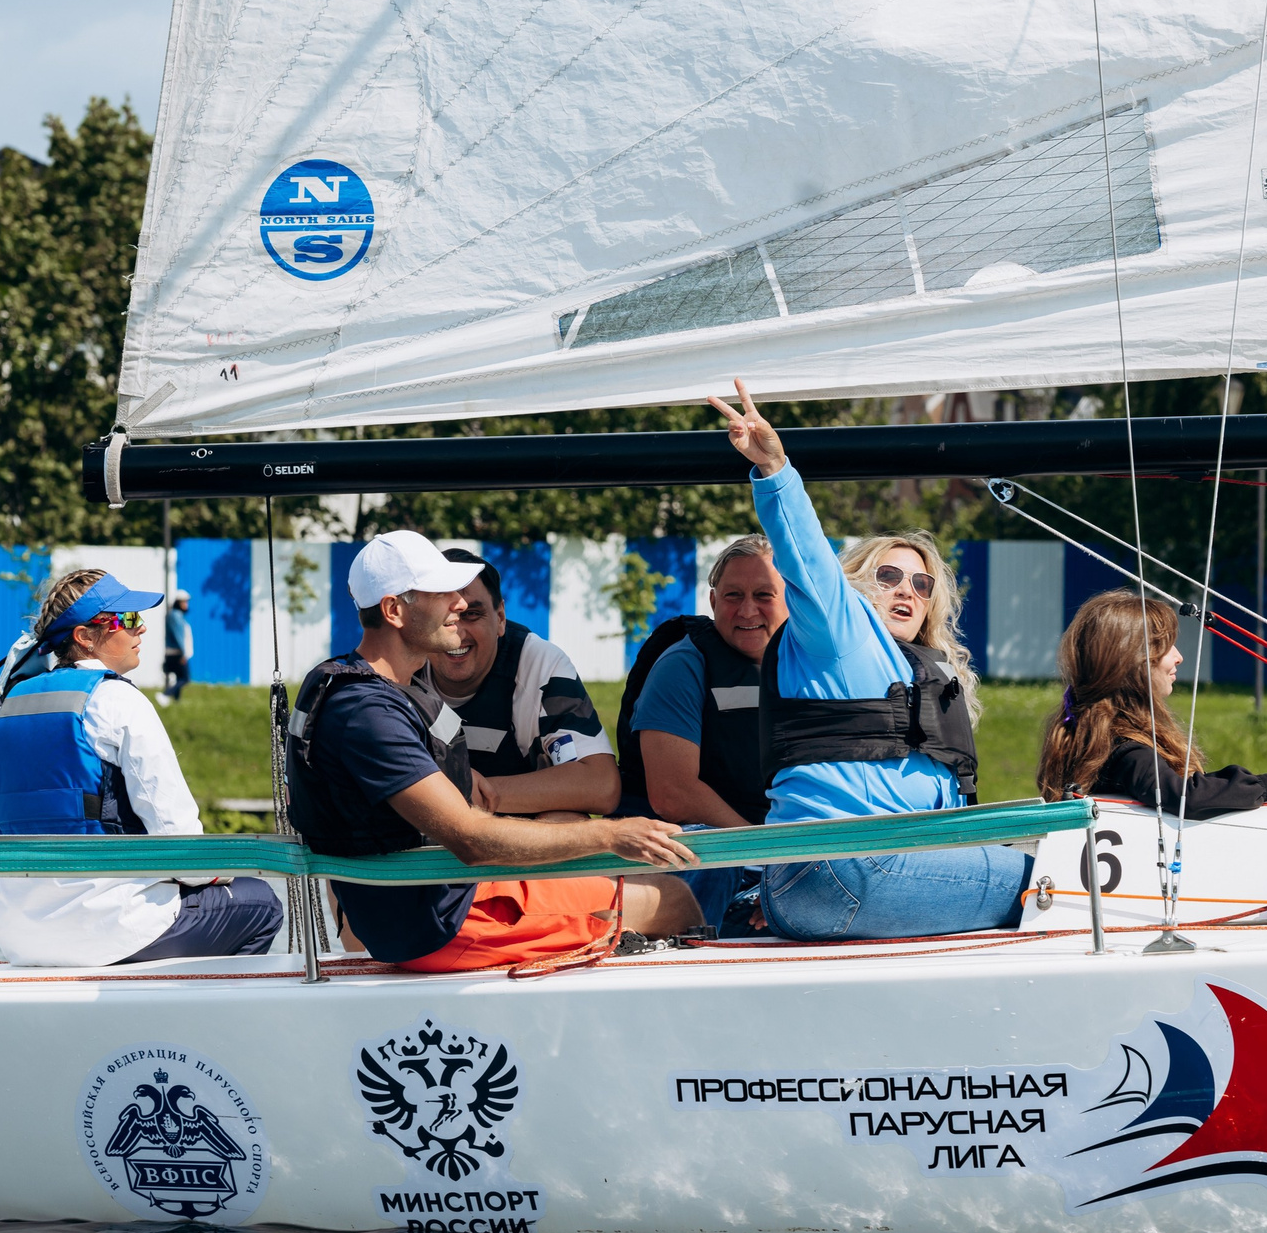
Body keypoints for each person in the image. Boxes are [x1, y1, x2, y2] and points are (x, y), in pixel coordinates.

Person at [287, 530, 701, 972]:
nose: (458, 603)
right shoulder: (366, 711)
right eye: (440, 592)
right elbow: (470, 839)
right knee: (672, 901)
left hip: (432, 904)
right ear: (393, 611)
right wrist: (613, 835)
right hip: (448, 921)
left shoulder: (378, 688)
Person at [709, 380, 1026, 941]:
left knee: (1038, 862)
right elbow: (806, 558)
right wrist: (775, 469)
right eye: (889, 575)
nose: (906, 589)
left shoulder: (927, 674)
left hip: (854, 874)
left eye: (922, 583)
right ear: (858, 584)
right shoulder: (841, 633)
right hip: (841, 864)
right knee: (1051, 883)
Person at [0, 568, 284, 966]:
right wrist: (214, 873)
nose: (141, 631)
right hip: (108, 929)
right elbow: (180, 840)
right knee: (261, 903)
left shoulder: (3, 711)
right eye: (130, 620)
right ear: (85, 637)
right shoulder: (117, 701)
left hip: (16, 934)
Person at [1038, 589, 1267, 817]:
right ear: (1132, 662)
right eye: (1167, 649)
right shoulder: (1125, 749)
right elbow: (1188, 796)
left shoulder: (1093, 734)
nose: (1179, 658)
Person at [618, 535, 786, 933]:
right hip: (712, 843)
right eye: (732, 595)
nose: (747, 610)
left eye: (764, 595)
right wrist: (766, 849)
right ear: (712, 602)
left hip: (780, 845)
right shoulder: (682, 665)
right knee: (705, 852)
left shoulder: (815, 664)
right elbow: (673, 794)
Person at [420, 546, 620, 817]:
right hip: (425, 828)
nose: (456, 632)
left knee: (567, 821)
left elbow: (600, 785)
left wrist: (466, 795)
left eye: (471, 614)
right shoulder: (400, 664)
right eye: (441, 617)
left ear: (500, 618)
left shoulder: (536, 661)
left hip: (521, 831)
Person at [156, 589, 193, 707]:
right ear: (178, 602)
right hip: (177, 652)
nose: (186, 605)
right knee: (185, 678)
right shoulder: (175, 616)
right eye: (184, 602)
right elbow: (179, 636)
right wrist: (183, 653)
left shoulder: (174, 615)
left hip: (173, 652)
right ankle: (165, 695)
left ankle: (177, 702)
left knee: (178, 677)